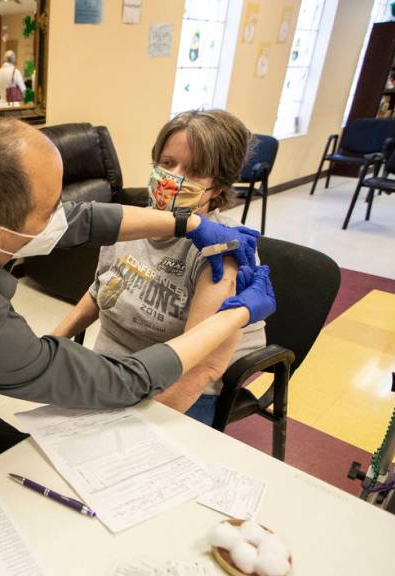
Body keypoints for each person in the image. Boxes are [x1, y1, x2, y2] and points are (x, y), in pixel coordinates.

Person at [0, 114, 274, 493]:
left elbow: (78, 221)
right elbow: (123, 380)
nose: (61, 215)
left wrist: (184, 223)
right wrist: (240, 310)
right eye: (47, 209)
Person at [51, 110, 266, 427]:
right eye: (167, 163)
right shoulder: (131, 222)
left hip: (172, 386)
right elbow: (101, 290)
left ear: (218, 186)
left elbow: (200, 365)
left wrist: (133, 426)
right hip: (112, 370)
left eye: (193, 171)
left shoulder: (221, 252)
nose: (173, 178)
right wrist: (54, 341)